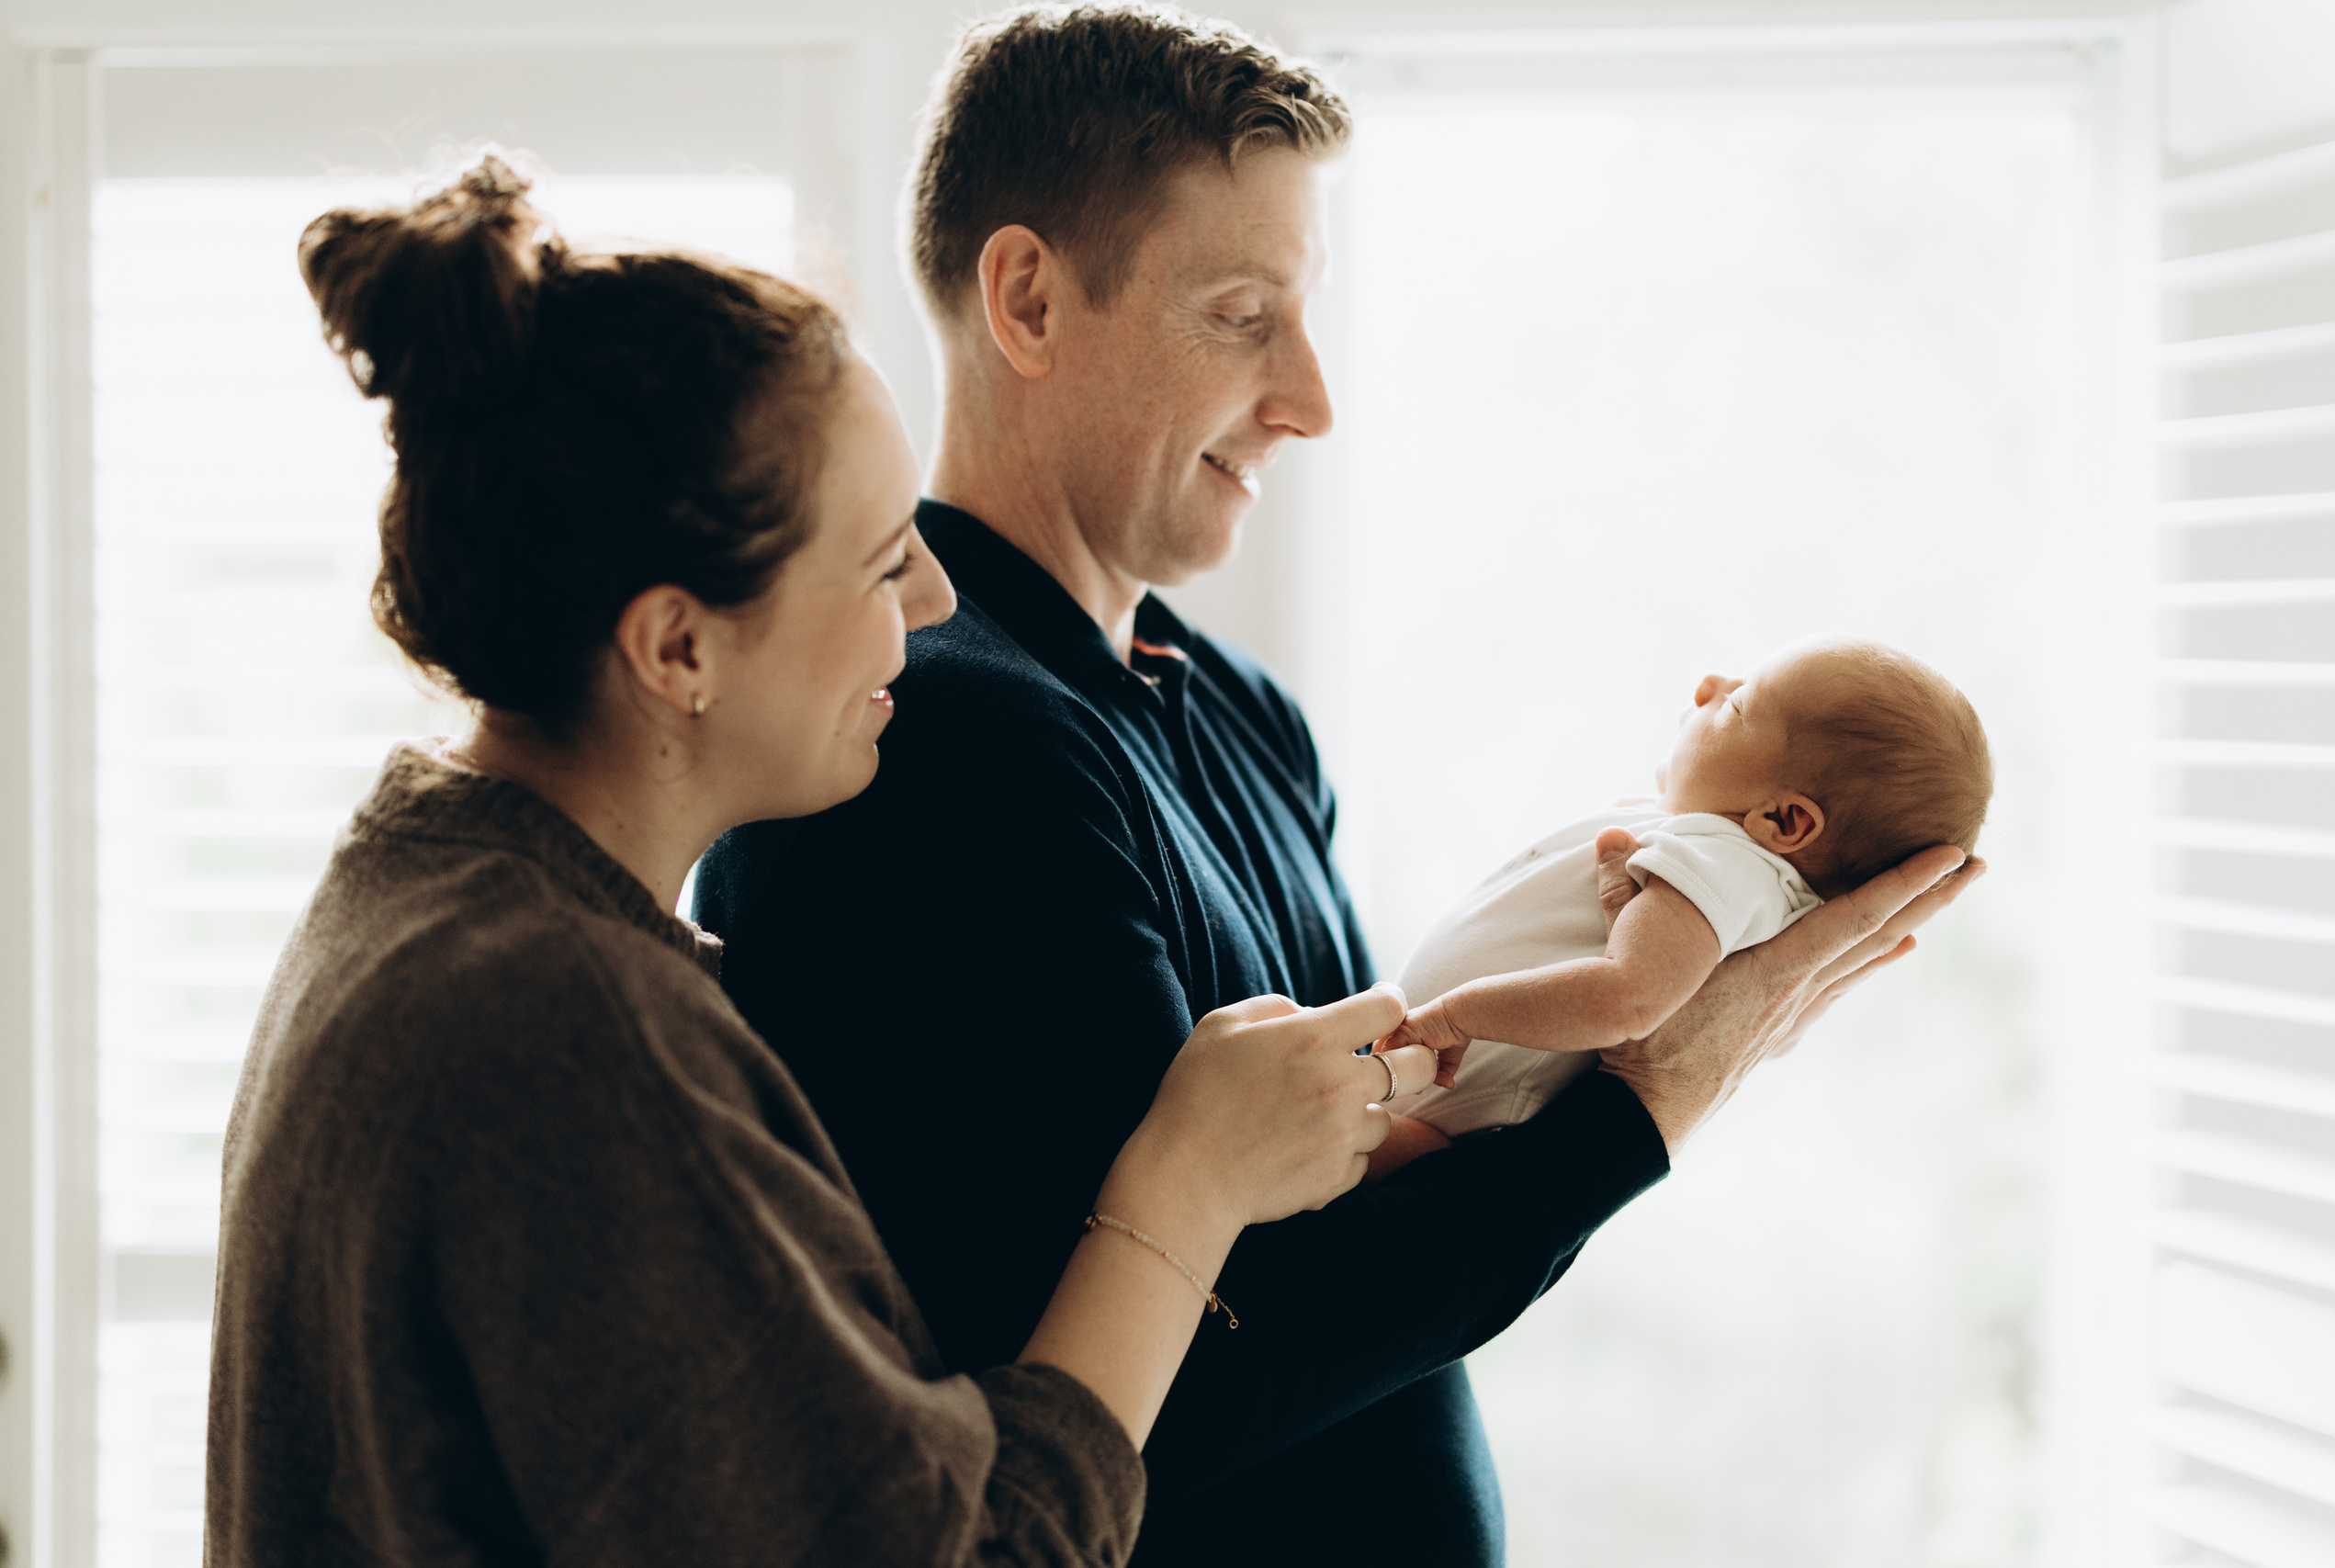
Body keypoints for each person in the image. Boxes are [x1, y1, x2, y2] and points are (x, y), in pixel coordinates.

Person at [693, 8, 1985, 1564]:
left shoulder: (1246, 716)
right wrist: (1652, 1101)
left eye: (1305, 318)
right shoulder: (927, 741)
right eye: (1243, 314)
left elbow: (1369, 1201)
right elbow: (1148, 1389)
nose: (1310, 398)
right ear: (1027, 298)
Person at [204, 155, 1441, 1567]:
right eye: (880, 560)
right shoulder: (561, 1024)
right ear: (680, 647)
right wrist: (1188, 1181)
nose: (934, 598)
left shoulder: (427, 898)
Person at [1382, 637, 1993, 1141]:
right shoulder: (1722, 866)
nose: (1709, 686)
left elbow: (1628, 999)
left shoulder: (1728, 865)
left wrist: (1456, 1015)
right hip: (1428, 1090)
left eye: (1737, 706)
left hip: (1451, 1110)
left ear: (1785, 821)